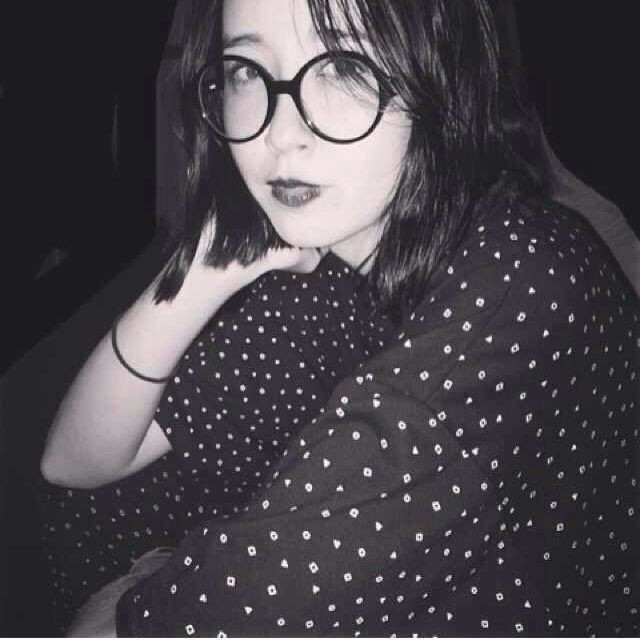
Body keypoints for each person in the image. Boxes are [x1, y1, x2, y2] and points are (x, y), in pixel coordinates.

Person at [40, 0, 639, 636]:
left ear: (439, 72)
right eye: (246, 70)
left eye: (345, 66)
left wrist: (143, 585)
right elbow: (75, 463)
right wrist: (202, 271)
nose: (281, 133)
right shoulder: (333, 260)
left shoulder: (517, 290)